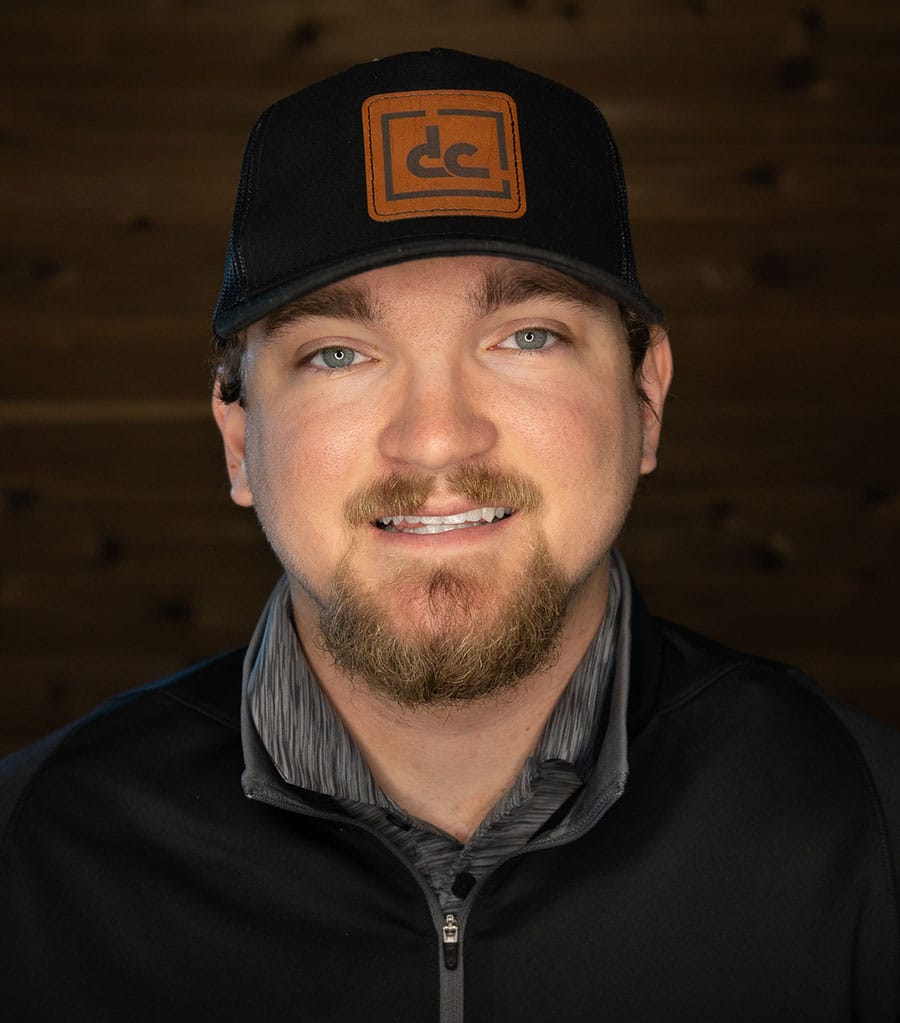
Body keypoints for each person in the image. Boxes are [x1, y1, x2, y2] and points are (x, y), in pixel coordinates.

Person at [1, 48, 897, 1021]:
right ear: (238, 438)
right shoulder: (29, 852)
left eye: (527, 337)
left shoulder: (871, 830)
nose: (434, 437)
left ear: (647, 399)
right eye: (338, 353)